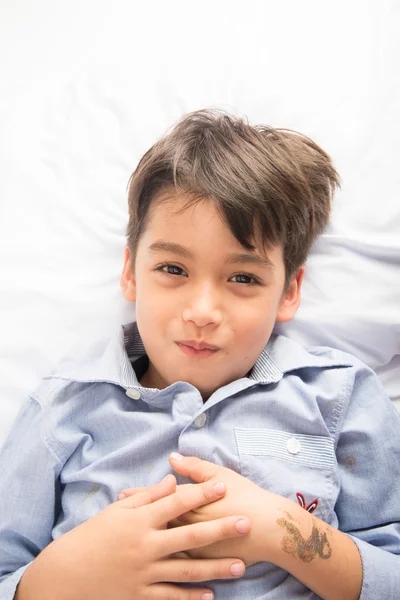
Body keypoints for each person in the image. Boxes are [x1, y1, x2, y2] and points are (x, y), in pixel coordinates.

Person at [0, 109, 399, 600]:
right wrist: (58, 580)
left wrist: (284, 532)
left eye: (243, 278)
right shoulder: (61, 408)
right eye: (173, 268)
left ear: (290, 291)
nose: (203, 311)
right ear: (131, 272)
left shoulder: (339, 395)